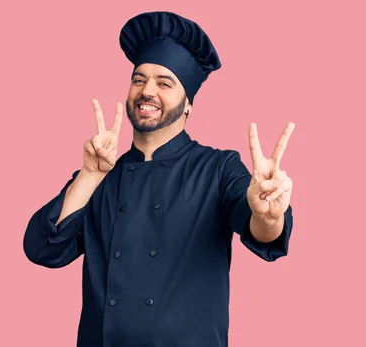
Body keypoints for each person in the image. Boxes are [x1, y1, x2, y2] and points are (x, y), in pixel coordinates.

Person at [23, 11, 295, 347]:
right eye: (139, 79)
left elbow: (262, 230)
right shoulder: (101, 177)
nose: (147, 90)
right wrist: (90, 175)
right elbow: (42, 248)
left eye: (164, 82)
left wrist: (269, 215)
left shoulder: (218, 168)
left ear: (188, 105)